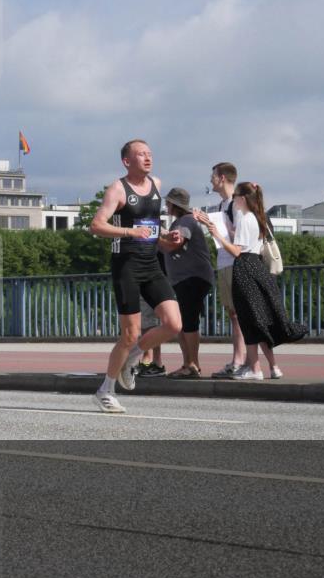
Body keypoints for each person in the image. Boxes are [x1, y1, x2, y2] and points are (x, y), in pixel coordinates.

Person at [89, 139, 183, 413]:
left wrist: (167, 237)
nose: (148, 158)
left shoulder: (157, 185)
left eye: (150, 154)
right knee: (130, 333)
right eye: (141, 154)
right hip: (126, 266)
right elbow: (96, 225)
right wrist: (130, 232)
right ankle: (105, 390)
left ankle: (133, 358)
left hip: (152, 264)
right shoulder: (118, 189)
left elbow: (150, 227)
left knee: (173, 324)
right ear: (127, 161)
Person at [196, 182, 307, 379]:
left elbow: (237, 251)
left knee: (249, 320)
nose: (234, 200)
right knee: (259, 319)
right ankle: (272, 367)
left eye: (236, 196)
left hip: (245, 269)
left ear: (242, 198)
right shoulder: (257, 217)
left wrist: (216, 235)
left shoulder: (246, 219)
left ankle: (254, 369)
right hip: (257, 267)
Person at [160, 187, 215, 378]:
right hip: (188, 278)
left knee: (189, 323)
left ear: (174, 204)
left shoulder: (185, 221)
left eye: (168, 202)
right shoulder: (181, 221)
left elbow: (175, 243)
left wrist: (153, 237)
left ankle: (193, 365)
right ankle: (188, 364)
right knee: (184, 323)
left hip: (192, 278)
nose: (165, 205)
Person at [207, 163, 248, 379]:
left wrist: (217, 231)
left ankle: (241, 360)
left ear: (222, 178)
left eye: (213, 176)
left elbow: (240, 240)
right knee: (234, 314)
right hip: (225, 262)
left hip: (234, 262)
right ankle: (239, 359)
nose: (211, 180)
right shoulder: (224, 204)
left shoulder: (235, 204)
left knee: (239, 315)